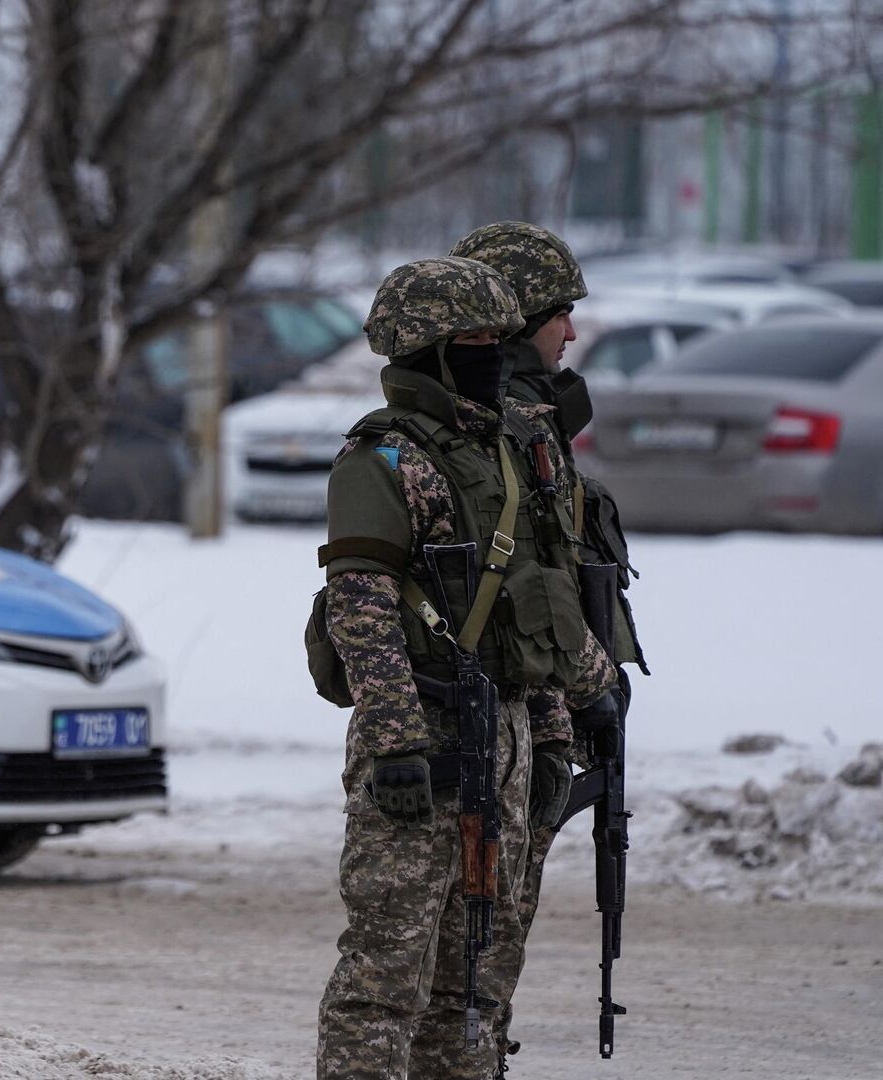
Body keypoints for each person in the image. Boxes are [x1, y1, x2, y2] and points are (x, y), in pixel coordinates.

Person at [310, 256, 619, 1080]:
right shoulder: (383, 459)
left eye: (497, 337)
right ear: (433, 351)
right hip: (430, 738)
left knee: (478, 981)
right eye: (476, 339)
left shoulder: (500, 451)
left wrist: (551, 733)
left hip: (507, 735)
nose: (494, 352)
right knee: (385, 977)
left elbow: (533, 608)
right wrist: (398, 743)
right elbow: (362, 606)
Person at [450, 221, 646, 1074]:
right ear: (521, 313)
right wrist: (591, 683)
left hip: (536, 708)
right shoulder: (504, 427)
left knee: (486, 951)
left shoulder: (526, 421)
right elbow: (539, 584)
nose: (572, 333)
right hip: (497, 709)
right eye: (560, 313)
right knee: (471, 950)